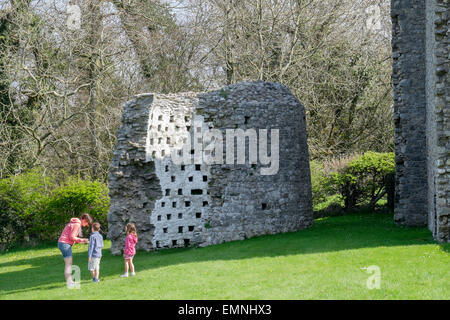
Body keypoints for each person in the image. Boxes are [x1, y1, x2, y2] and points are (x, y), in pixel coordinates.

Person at [58, 213, 92, 288]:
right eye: (86, 222)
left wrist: (81, 240)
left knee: (68, 263)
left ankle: (70, 281)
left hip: (63, 243)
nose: (86, 224)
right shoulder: (77, 224)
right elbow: (72, 237)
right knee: (68, 264)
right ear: (83, 219)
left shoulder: (75, 223)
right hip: (65, 244)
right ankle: (69, 282)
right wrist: (83, 240)